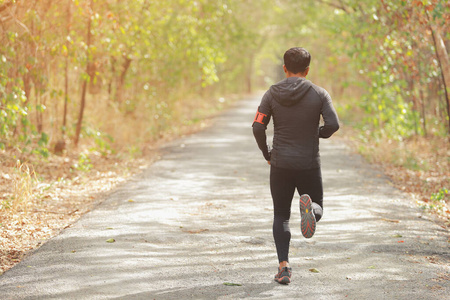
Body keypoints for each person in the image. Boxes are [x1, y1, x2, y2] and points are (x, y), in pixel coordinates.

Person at [252, 47, 339, 284]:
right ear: (308, 69)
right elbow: (333, 124)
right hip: (308, 162)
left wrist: (267, 153)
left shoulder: (271, 94)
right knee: (318, 203)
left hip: (280, 163)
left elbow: (258, 126)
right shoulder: (319, 93)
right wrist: (315, 134)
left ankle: (284, 267)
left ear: (284, 68)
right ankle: (311, 211)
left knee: (281, 214)